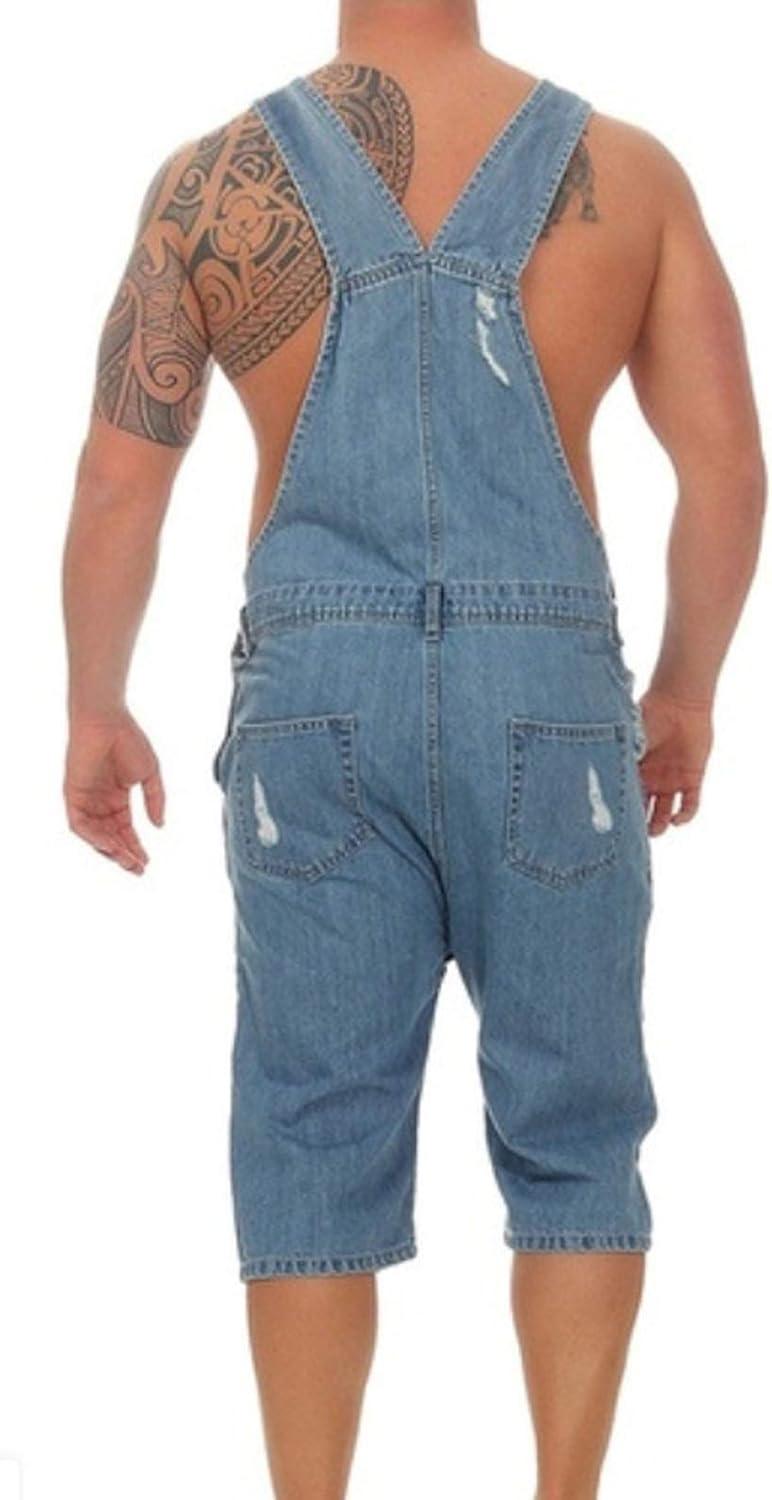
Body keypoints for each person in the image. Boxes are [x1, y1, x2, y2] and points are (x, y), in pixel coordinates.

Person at [61, 2, 766, 1497]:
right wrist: (688, 689)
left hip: (315, 704)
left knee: (311, 1129)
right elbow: (728, 467)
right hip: (549, 704)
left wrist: (94, 704)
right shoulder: (631, 173)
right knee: (577, 1127)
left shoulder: (212, 177)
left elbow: (121, 485)